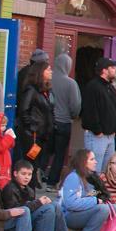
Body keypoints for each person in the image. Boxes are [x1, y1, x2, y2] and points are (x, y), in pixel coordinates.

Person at [2, 159, 74, 231]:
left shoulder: (29, 190)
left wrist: (41, 202)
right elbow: (18, 210)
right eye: (23, 174)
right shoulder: (10, 188)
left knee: (54, 205)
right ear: (15, 173)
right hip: (16, 221)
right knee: (47, 209)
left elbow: (31, 207)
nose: (26, 177)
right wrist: (39, 203)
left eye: (29, 174)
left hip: (27, 217)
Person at [46, 53, 82, 191]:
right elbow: (75, 105)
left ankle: (39, 174)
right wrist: (73, 115)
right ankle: (51, 182)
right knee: (60, 154)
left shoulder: (48, 79)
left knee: (45, 151)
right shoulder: (70, 83)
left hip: (48, 122)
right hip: (64, 122)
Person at [17, 59, 54, 188]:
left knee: (36, 164)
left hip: (42, 135)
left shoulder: (44, 91)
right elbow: (23, 110)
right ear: (40, 72)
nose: (51, 72)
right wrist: (33, 127)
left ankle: (31, 190)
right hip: (32, 135)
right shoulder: (31, 90)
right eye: (48, 69)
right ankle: (28, 191)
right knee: (31, 163)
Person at [80, 57, 116, 173]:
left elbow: (114, 109)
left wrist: (114, 128)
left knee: (106, 171)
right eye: (112, 67)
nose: (115, 70)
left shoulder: (110, 87)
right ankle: (91, 192)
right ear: (104, 70)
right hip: (96, 136)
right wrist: (97, 130)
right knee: (93, 170)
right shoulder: (93, 86)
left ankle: (101, 191)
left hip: (110, 135)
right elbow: (90, 111)